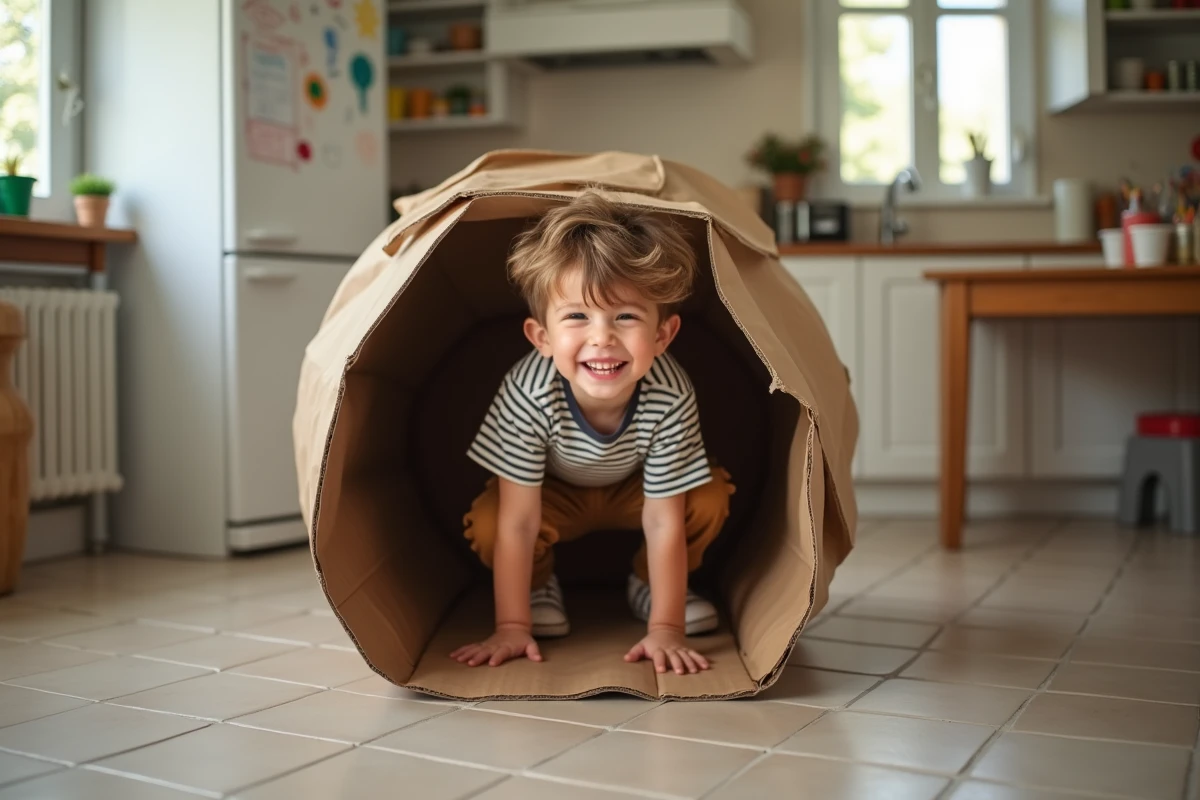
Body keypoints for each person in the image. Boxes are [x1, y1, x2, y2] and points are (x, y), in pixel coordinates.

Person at [450, 191, 735, 676]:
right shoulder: (529, 391)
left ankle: (651, 586)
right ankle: (536, 588)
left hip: (635, 492)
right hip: (551, 494)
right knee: (492, 517)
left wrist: (667, 629)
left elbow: (665, 519)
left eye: (625, 316)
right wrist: (512, 626)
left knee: (708, 495)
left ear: (663, 336)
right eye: (577, 316)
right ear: (542, 337)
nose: (602, 336)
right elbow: (520, 521)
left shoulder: (669, 392)